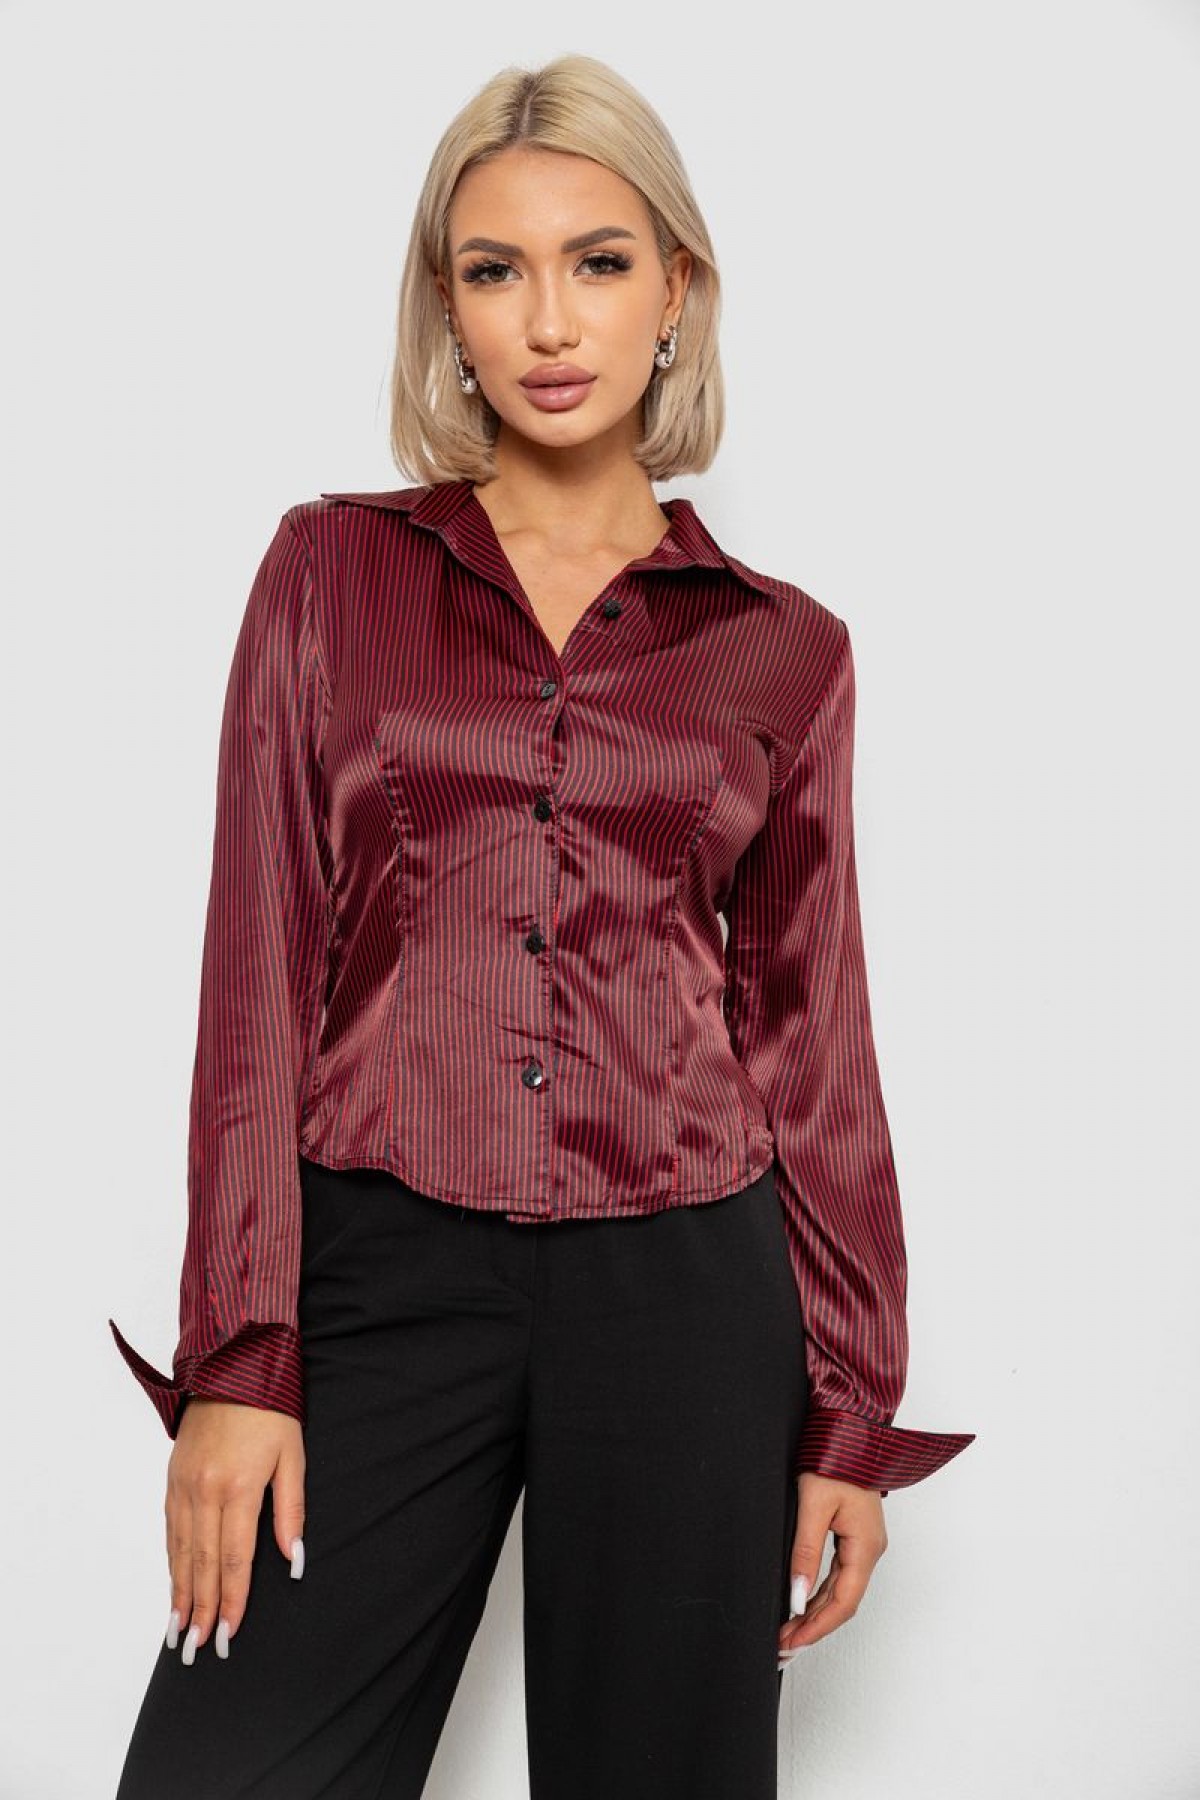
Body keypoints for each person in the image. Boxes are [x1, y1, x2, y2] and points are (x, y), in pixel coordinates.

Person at [108, 51, 975, 1800]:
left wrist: (847, 1413)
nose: (551, 320)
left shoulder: (784, 648)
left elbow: (808, 1039)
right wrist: (242, 1360)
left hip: (687, 1285)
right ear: (448, 307)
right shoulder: (329, 574)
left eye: (599, 261)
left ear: (677, 292)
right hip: (380, 1261)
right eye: (496, 270)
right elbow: (258, 971)